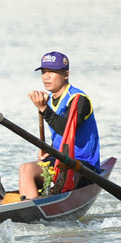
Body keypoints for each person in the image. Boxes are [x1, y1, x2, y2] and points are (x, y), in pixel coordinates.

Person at [17, 51, 101, 199]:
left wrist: (44, 109)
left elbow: (65, 129)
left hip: (82, 165)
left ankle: (42, 208)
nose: (46, 76)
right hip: (60, 158)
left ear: (66, 74)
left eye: (52, 72)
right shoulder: (48, 100)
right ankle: (32, 212)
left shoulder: (78, 99)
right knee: (26, 169)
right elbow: (58, 136)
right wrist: (49, 149)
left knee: (60, 172)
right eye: (43, 72)